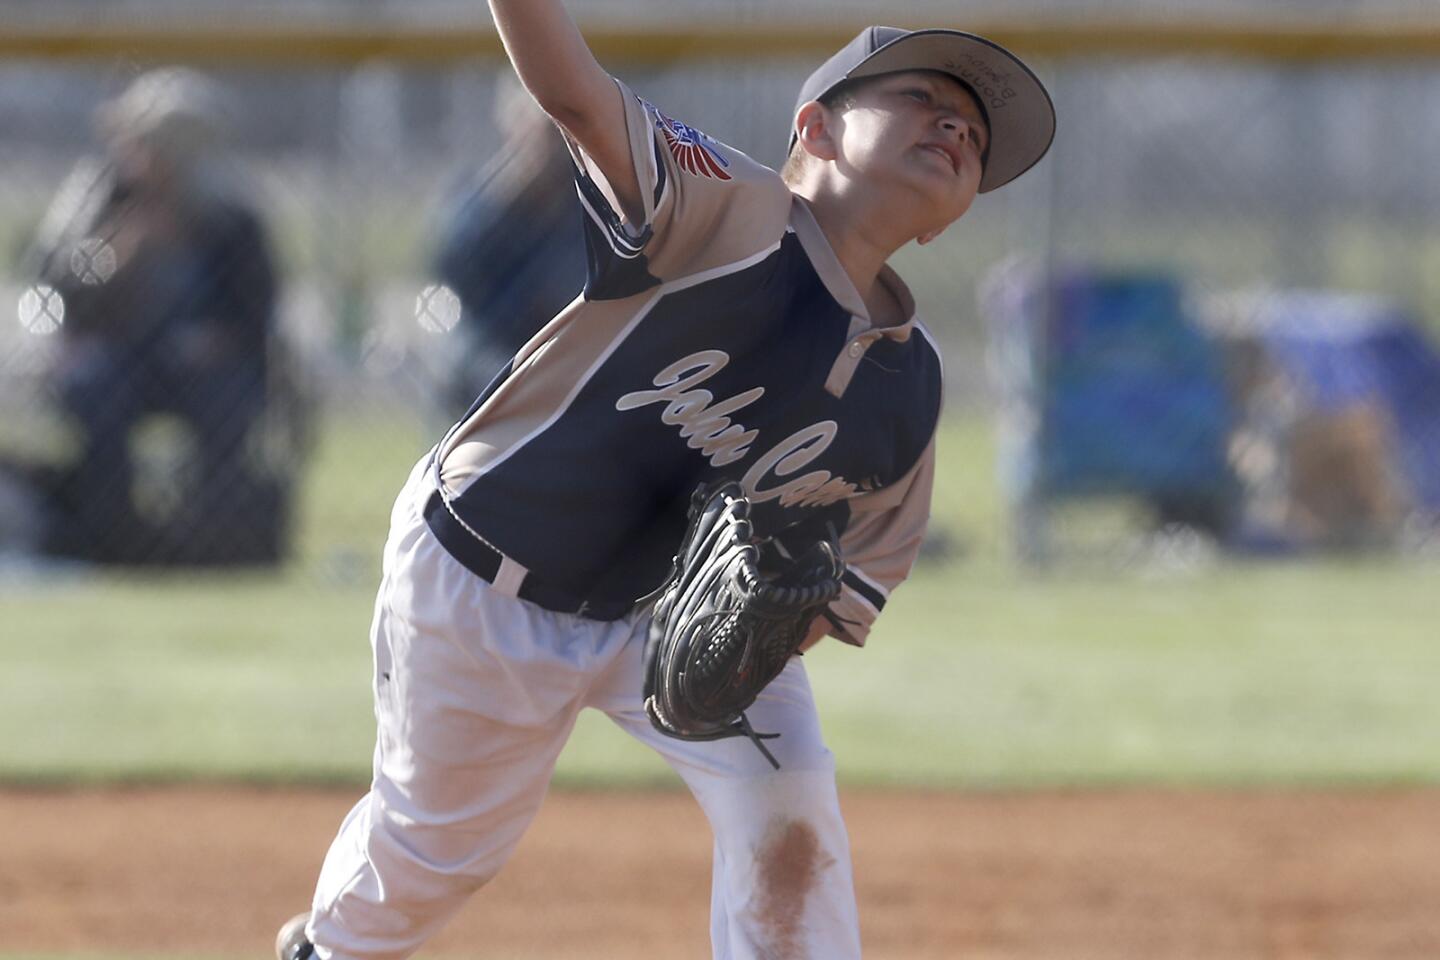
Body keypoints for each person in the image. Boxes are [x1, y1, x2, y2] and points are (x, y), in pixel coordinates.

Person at [277, 11, 1054, 960]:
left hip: (668, 611)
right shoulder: (727, 208)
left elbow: (845, 590)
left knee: (789, 808)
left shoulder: (911, 389)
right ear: (813, 127)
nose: (954, 130)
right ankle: (326, 949)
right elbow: (571, 94)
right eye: (922, 100)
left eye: (973, 136)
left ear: (953, 218)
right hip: (486, 578)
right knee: (433, 855)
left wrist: (767, 628)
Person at [25, 68, 283, 565]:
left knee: (228, 399)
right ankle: (115, 540)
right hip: (118, 359)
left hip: (201, 366)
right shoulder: (101, 197)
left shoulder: (227, 213)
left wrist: (220, 337)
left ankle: (215, 545)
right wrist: (121, 253)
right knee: (95, 392)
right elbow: (54, 282)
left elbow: (257, 307)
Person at [429, 74, 588, 416]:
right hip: (491, 352)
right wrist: (509, 193)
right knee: (476, 368)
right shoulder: (482, 196)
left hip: (567, 352)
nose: (547, 142)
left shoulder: (584, 204)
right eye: (536, 125)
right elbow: (450, 274)